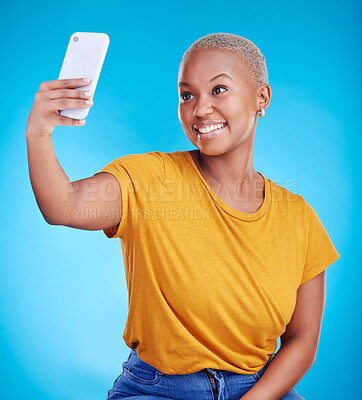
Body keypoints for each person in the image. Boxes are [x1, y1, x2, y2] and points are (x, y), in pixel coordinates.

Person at [26, 33, 340, 400]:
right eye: (187, 95)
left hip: (260, 390)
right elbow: (63, 206)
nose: (201, 108)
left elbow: (302, 340)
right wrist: (39, 133)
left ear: (262, 98)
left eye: (218, 90)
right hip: (157, 390)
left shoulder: (298, 218)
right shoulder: (149, 178)